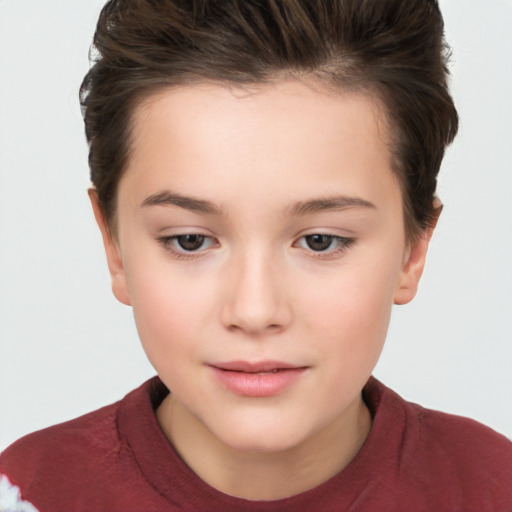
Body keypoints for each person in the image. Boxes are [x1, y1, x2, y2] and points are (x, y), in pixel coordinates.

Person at [1, 0, 511, 510]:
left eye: (320, 241)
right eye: (190, 240)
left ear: (413, 249)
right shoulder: (26, 492)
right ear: (114, 244)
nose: (254, 310)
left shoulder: (493, 488)